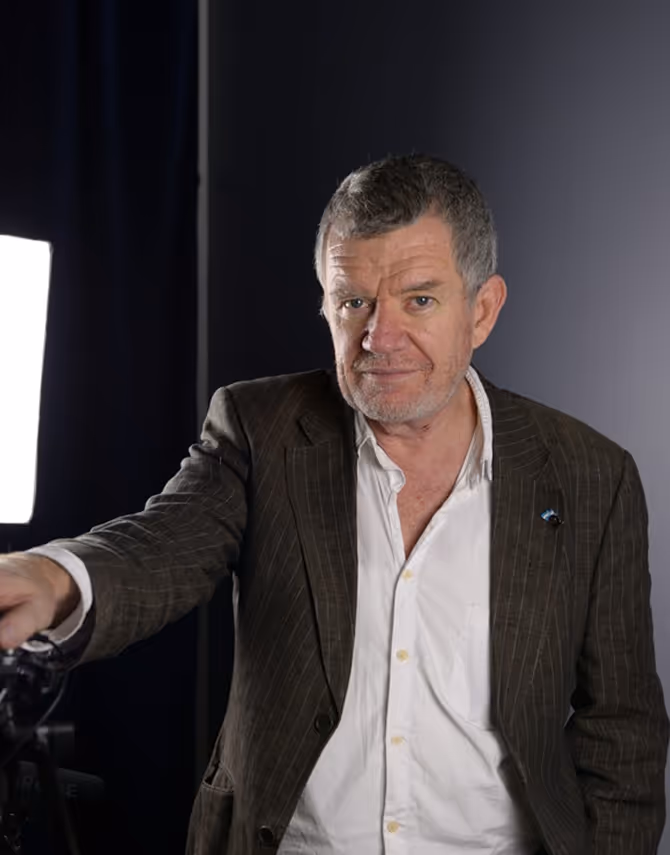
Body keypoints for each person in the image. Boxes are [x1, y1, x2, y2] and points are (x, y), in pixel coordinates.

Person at [0, 154, 667, 855]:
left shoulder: (592, 475)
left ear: (482, 309)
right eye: (354, 302)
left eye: (419, 299)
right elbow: (163, 544)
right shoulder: (260, 428)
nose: (379, 338)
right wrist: (53, 577)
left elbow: (622, 728)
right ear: (326, 303)